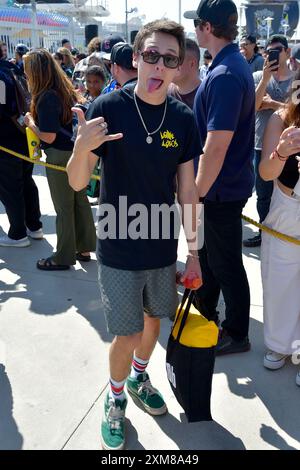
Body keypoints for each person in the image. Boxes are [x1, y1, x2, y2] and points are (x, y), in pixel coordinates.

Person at [67, 19, 202, 450]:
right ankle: (116, 396)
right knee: (125, 333)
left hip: (162, 244)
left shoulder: (182, 118)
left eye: (169, 58)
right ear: (136, 57)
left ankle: (140, 377)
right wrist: (81, 148)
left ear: (178, 66)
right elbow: (75, 183)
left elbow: (187, 189)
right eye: (151, 55)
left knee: (152, 322)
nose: (159, 65)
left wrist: (193, 252)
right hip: (118, 243)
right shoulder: (107, 108)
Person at [185, 0, 255, 355]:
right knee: (214, 258)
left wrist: (195, 192)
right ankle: (206, 312)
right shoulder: (229, 66)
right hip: (222, 187)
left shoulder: (226, 73)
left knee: (226, 263)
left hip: (220, 190)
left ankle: (237, 332)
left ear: (207, 28)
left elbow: (216, 146)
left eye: (196, 24)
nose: (194, 30)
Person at [23, 49, 96, 270]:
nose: (26, 75)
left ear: (36, 71)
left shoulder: (46, 96)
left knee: (64, 207)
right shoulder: (64, 90)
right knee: (79, 201)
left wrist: (30, 123)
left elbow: (49, 135)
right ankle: (84, 247)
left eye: (28, 70)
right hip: (76, 152)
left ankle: (63, 257)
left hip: (59, 156)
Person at [259, 70, 300, 387]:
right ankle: (278, 345)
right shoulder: (281, 119)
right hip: (287, 207)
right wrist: (281, 153)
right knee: (280, 279)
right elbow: (266, 171)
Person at [243, 35, 294, 248]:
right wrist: (265, 79)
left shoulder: (297, 79)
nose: (272, 53)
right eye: (268, 50)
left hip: (290, 146)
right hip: (260, 145)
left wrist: (273, 104)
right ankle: (265, 232)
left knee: (288, 193)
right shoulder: (257, 77)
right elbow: (250, 108)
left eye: (278, 49)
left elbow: (296, 112)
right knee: (263, 195)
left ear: (288, 52)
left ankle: (285, 234)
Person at [0, 46, 43, 247]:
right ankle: (34, 226)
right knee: (26, 181)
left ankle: (18, 234)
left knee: (11, 187)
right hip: (25, 136)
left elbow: (2, 109)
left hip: (6, 141)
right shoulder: (13, 69)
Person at [169, 38, 201, 110]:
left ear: (192, 64)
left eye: (174, 60)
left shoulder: (207, 97)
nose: (168, 64)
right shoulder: (164, 92)